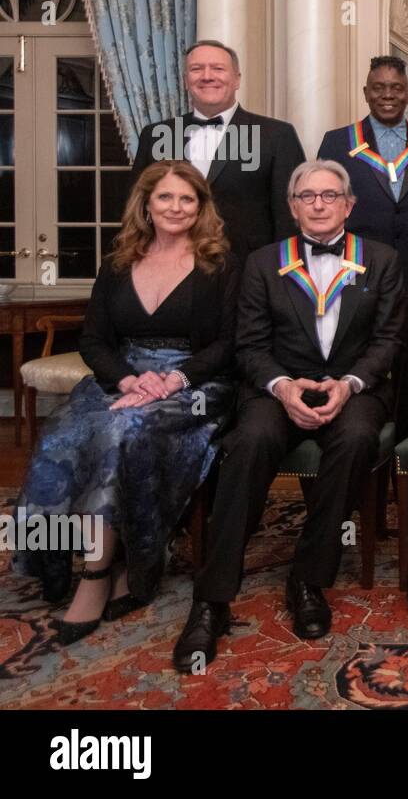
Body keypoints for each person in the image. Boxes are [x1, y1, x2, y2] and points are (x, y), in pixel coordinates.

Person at [173, 160, 404, 672]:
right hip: (278, 385)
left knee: (358, 438)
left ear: (349, 204)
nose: (318, 204)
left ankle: (308, 577)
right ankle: (211, 599)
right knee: (248, 442)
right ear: (291, 205)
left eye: (329, 195)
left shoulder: (382, 259)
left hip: (353, 386)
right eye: (307, 196)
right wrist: (283, 387)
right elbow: (249, 346)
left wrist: (347, 385)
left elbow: (388, 340)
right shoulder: (261, 263)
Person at [14, 161, 239, 645]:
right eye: (166, 198)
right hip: (123, 377)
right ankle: (83, 561)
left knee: (123, 431)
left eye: (187, 199)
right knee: (61, 435)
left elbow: (229, 344)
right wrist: (131, 380)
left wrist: (174, 379)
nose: (176, 208)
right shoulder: (117, 261)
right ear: (147, 203)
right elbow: (94, 342)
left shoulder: (221, 263)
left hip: (196, 385)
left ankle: (98, 576)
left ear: (201, 207)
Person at [131, 40, 305, 260]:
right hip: (170, 268)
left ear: (237, 80)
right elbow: (136, 207)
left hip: (248, 271)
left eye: (218, 69)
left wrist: (279, 277)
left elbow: (290, 217)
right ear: (186, 81)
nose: (207, 76)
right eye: (196, 69)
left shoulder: (277, 135)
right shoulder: (156, 135)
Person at [317, 55, 408, 296]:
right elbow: (322, 209)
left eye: (397, 88)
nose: (387, 95)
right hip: (355, 271)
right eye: (378, 88)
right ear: (365, 92)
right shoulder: (337, 143)